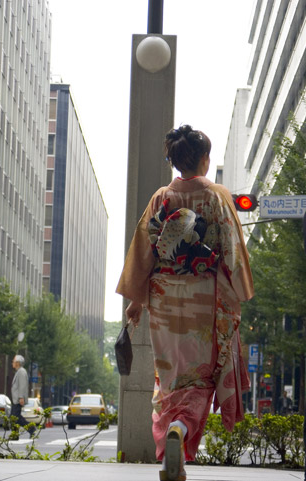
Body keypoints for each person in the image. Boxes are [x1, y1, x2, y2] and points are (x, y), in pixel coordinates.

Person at [116, 125, 254, 481]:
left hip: (163, 299)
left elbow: (144, 251)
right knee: (199, 379)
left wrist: (135, 301)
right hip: (203, 299)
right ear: (205, 159)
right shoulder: (216, 196)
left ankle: (169, 454)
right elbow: (232, 252)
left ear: (176, 161)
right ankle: (180, 428)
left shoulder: (162, 197)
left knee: (170, 380)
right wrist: (237, 292)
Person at [11, 354, 35, 437]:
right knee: (14, 417)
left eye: (13, 361)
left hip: (18, 399)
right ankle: (15, 434)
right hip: (16, 399)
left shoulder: (21, 372)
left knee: (15, 417)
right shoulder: (19, 371)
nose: (12, 363)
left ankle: (31, 428)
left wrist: (21, 397)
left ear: (17, 363)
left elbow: (22, 385)